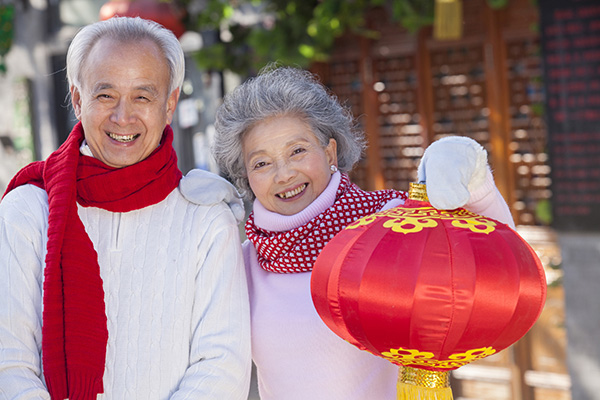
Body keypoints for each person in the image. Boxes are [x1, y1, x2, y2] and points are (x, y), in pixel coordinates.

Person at [207, 64, 515, 400]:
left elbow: (500, 277)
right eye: (261, 163)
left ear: (330, 153)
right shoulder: (242, 263)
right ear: (247, 177)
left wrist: (476, 182)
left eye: (297, 151)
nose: (283, 174)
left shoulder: (393, 225)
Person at [0, 17, 250, 399]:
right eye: (105, 95)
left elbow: (221, 363)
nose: (123, 117)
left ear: (169, 104)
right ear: (78, 98)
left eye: (142, 96)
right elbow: (9, 361)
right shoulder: (29, 209)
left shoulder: (205, 217)